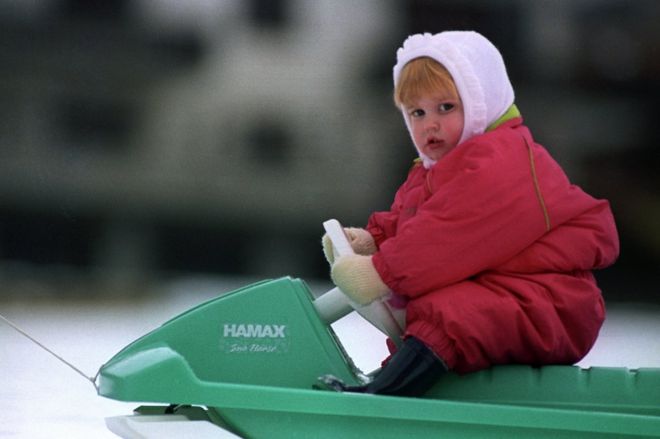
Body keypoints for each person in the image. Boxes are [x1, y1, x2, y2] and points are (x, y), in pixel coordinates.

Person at [320, 31, 619, 397]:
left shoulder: (502, 162)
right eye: (417, 112)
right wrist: (372, 243)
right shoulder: (436, 170)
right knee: (435, 313)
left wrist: (381, 272)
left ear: (481, 103)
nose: (430, 124)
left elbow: (448, 235)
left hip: (551, 302)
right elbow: (414, 223)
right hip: (507, 290)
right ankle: (404, 384)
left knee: (450, 315)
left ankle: (387, 395)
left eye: (446, 107)